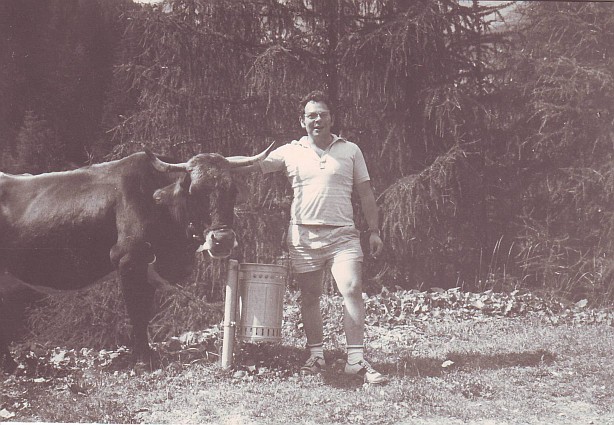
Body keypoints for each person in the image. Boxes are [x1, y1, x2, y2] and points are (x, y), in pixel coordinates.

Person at [245, 90, 387, 384]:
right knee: (310, 296)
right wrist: (216, 161)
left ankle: (356, 361)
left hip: (343, 235)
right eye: (311, 115)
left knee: (352, 288)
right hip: (303, 237)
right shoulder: (290, 151)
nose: (317, 119)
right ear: (302, 121)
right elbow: (254, 164)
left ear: (331, 118)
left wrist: (374, 230)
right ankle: (316, 356)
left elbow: (365, 193)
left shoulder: (351, 150)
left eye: (322, 114)